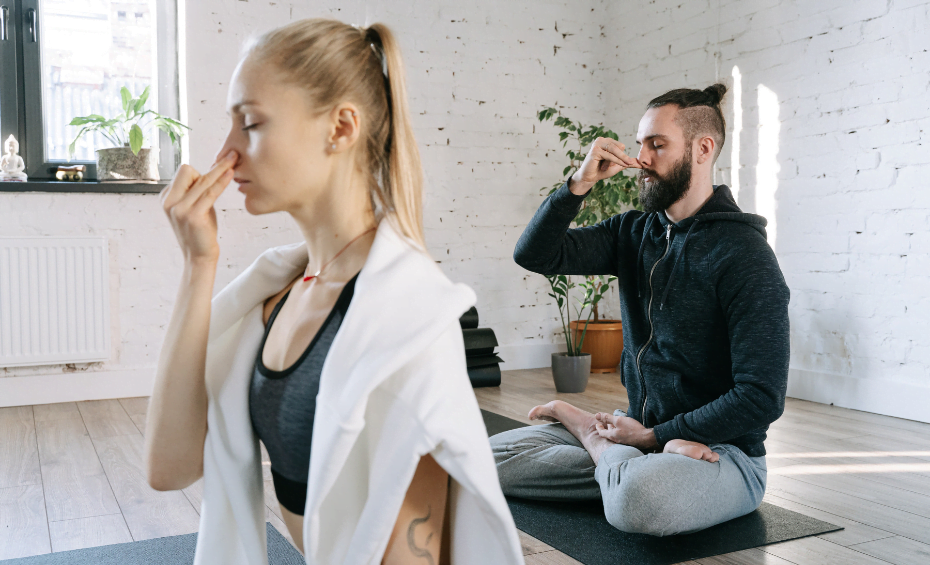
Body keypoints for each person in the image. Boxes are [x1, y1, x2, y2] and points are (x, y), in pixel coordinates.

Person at [144, 18, 524, 565]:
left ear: (341, 128)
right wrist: (198, 264)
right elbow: (169, 468)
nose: (226, 152)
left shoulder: (406, 320)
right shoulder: (277, 295)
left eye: (250, 123)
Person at [490, 84, 790, 536]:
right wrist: (579, 183)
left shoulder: (745, 255)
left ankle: (599, 446)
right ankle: (620, 464)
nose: (641, 158)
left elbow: (761, 396)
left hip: (723, 455)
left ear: (703, 149)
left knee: (638, 499)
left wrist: (654, 437)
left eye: (657, 144)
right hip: (638, 435)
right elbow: (534, 254)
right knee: (486, 460)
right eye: (640, 144)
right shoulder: (632, 232)